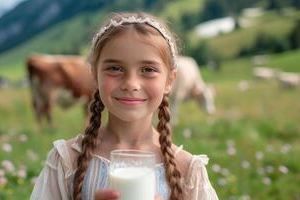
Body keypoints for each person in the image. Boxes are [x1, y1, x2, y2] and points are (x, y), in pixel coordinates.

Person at [30, 12, 219, 200]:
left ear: (170, 80)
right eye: (115, 68)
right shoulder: (67, 162)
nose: (131, 83)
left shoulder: (187, 170)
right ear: (94, 75)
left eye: (148, 70)